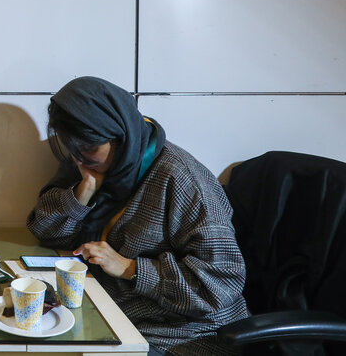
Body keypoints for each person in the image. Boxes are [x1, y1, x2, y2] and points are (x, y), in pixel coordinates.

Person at [27, 76, 248, 356]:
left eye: (89, 149)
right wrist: (81, 193)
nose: (80, 160)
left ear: (121, 134)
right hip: (114, 314)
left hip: (181, 335)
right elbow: (46, 232)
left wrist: (129, 268)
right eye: (74, 150)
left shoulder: (182, 180)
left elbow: (220, 285)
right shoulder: (93, 164)